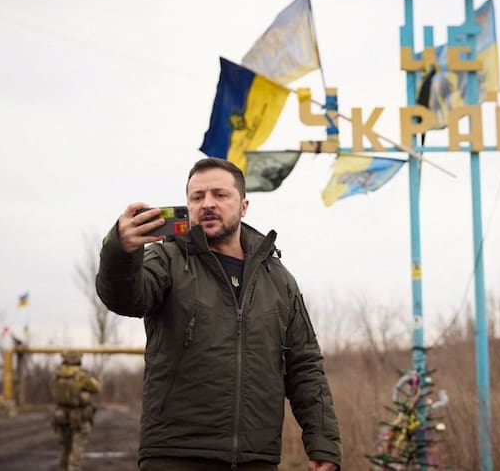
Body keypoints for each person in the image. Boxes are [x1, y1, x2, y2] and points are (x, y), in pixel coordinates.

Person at [96, 157, 341, 470]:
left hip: (257, 458)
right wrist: (120, 250)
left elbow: (305, 365)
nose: (207, 204)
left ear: (243, 205)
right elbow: (125, 298)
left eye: (220, 195)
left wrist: (323, 443)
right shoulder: (168, 258)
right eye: (197, 197)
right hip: (175, 456)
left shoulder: (278, 280)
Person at [51, 350, 101, 471]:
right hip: (79, 418)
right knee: (77, 450)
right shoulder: (81, 376)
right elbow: (96, 388)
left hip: (61, 417)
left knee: (65, 449)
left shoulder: (58, 375)